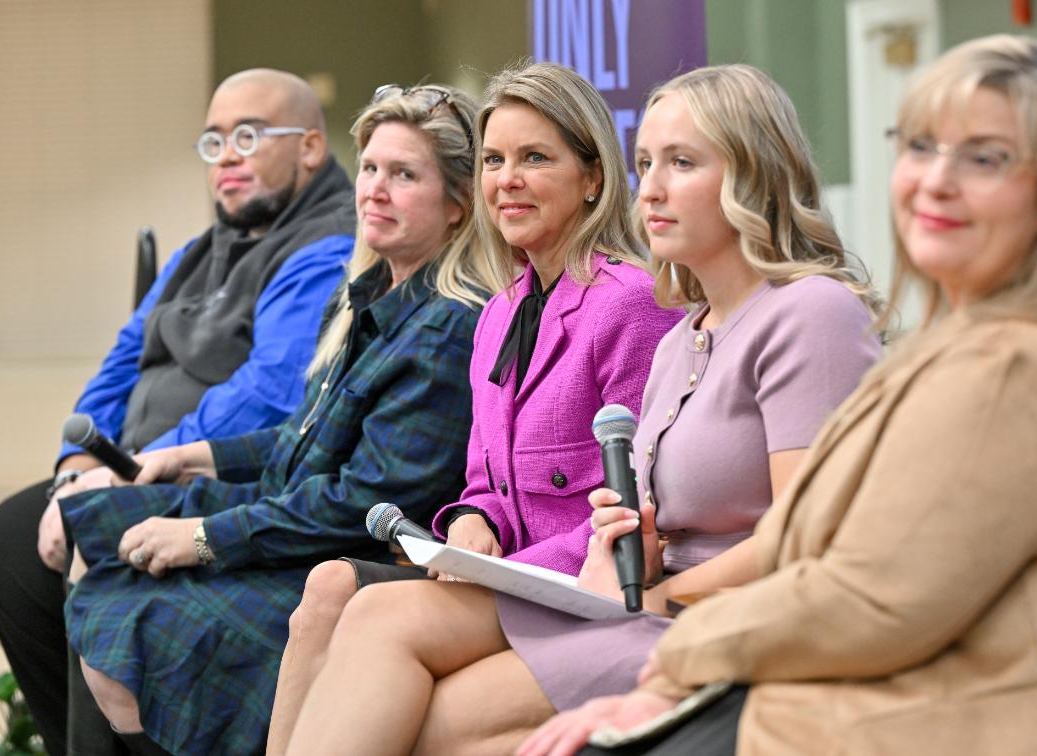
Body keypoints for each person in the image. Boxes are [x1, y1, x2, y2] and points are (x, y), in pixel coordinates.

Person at [519, 34, 1037, 756]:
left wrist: (675, 655)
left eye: (985, 158)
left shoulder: (1012, 363)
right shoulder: (950, 348)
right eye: (920, 147)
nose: (936, 181)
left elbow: (877, 600)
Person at [284, 64, 883, 755]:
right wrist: (578, 534)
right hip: (630, 596)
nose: (651, 188)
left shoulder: (804, 312)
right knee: (366, 620)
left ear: (754, 174)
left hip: (701, 618)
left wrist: (638, 589)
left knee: (412, 703)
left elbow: (811, 538)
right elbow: (618, 504)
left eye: (681, 163)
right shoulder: (685, 332)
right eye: (647, 163)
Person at [58, 83, 502, 756]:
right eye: (373, 169)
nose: (374, 190)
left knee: (134, 620)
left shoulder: (448, 325)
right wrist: (193, 457)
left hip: (344, 554)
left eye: (405, 175)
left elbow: (363, 501)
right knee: (91, 540)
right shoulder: (365, 293)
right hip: (296, 517)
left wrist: (204, 537)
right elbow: (304, 436)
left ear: (457, 206)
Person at [266, 61, 683, 754]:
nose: (506, 179)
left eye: (534, 158)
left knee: (372, 609)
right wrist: (470, 523)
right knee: (328, 589)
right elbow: (483, 481)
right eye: (493, 160)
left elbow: (640, 505)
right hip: (502, 578)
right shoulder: (499, 311)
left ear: (593, 180)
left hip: (575, 585)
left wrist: (504, 566)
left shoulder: (630, 303)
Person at [0, 67, 355, 756]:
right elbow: (122, 359)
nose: (227, 158)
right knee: (10, 538)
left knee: (89, 548)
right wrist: (78, 465)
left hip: (219, 476)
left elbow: (267, 394)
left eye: (247, 136)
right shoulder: (197, 251)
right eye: (213, 142)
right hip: (135, 467)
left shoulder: (326, 246)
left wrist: (131, 474)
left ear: (308, 146)